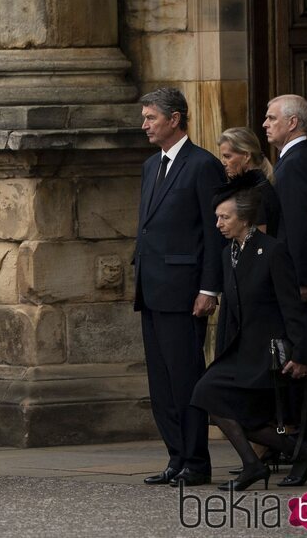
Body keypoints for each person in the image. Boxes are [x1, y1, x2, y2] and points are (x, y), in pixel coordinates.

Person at [191, 173, 307, 490]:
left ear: (244, 218)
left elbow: (292, 308)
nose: (219, 223)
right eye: (217, 217)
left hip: (267, 352)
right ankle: (292, 455)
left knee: (217, 399)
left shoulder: (272, 251)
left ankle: (263, 463)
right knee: (211, 397)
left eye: (225, 217)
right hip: (240, 350)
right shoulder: (227, 253)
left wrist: (301, 353)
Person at [134, 88, 225, 488]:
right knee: (161, 382)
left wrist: (209, 288)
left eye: (151, 117)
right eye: (144, 117)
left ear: (175, 119)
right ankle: (175, 457)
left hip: (185, 290)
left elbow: (213, 232)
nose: (145, 125)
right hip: (152, 288)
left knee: (186, 378)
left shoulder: (203, 165)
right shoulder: (150, 166)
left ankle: (196, 461)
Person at [264, 94, 307, 458]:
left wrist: (302, 280)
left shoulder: (296, 163)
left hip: (302, 283)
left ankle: (305, 445)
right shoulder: (297, 159)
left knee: (306, 363)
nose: (265, 123)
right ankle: (297, 442)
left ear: (293, 123)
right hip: (300, 279)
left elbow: (300, 227)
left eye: (272, 117)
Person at [217, 127, 281, 237]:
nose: (223, 162)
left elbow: (258, 244)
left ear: (246, 156)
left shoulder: (257, 192)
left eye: (227, 156)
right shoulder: (250, 188)